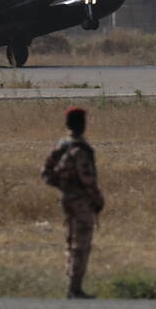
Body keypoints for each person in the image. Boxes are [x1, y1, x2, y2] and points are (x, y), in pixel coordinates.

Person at [41, 106, 105, 299]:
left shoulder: (61, 146)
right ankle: (75, 288)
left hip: (67, 198)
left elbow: (46, 173)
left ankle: (72, 285)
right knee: (81, 243)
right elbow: (88, 178)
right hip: (81, 201)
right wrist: (97, 199)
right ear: (82, 124)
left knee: (71, 241)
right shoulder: (80, 149)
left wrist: (64, 187)